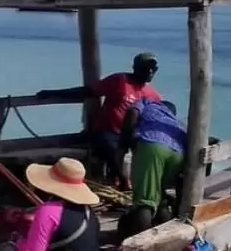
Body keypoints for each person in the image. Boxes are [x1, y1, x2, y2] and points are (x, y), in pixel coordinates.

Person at [37, 52, 162, 190]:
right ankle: (124, 182)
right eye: (146, 67)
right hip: (107, 131)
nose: (150, 71)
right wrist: (53, 93)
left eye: (153, 68)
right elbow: (88, 91)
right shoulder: (119, 81)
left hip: (130, 135)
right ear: (135, 67)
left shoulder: (153, 96)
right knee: (111, 148)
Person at [117, 99, 187, 240]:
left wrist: (126, 140)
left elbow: (132, 112)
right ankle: (166, 238)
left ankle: (138, 246)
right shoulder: (178, 123)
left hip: (153, 146)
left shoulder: (148, 104)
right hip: (178, 154)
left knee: (145, 201)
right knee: (158, 195)